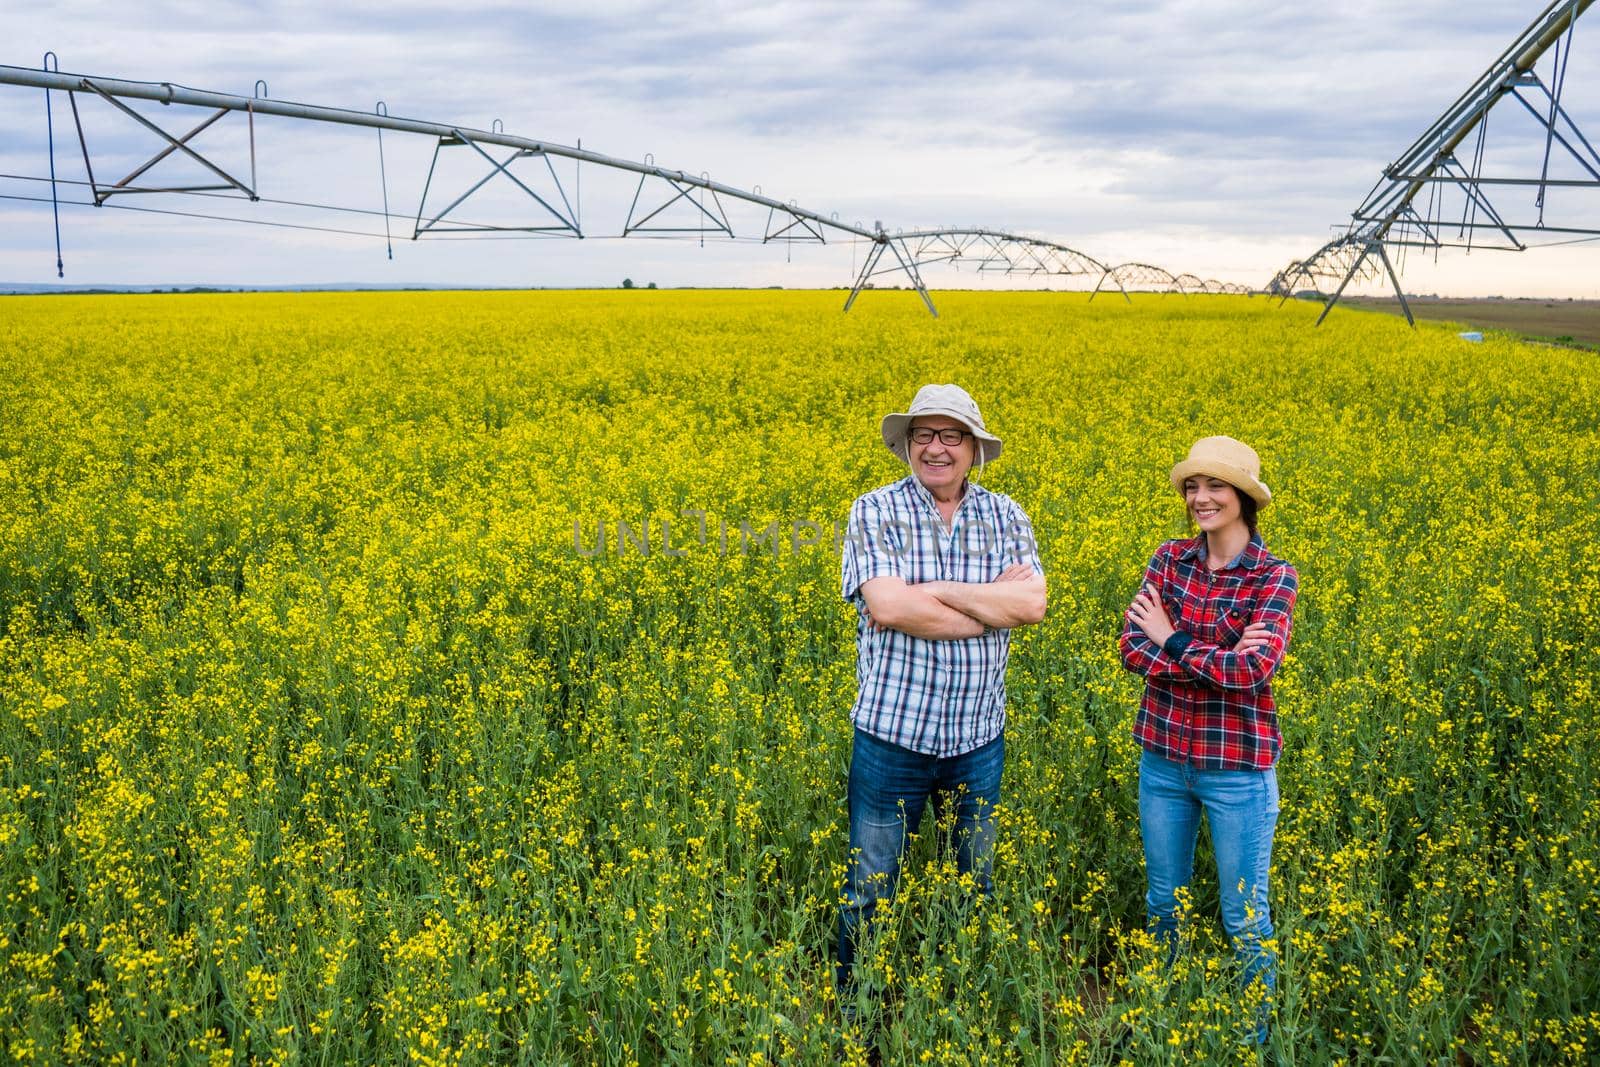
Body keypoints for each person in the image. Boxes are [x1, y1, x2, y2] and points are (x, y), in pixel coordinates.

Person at [835, 383, 1047, 1008]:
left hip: (978, 740)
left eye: (950, 436)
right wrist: (987, 606)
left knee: (970, 883)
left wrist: (932, 590)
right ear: (905, 446)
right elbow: (888, 605)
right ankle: (859, 1016)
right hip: (891, 737)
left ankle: (954, 1010)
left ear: (974, 449)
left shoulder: (1007, 515)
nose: (935, 448)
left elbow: (1031, 604)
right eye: (922, 435)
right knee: (871, 887)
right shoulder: (874, 510)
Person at [1119, 435, 1298, 1045]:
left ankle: (1251, 1042)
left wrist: (1170, 639)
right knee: (1163, 902)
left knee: (1244, 918)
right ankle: (1161, 1021)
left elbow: (1253, 671)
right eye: (1192, 486)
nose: (1200, 497)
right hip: (1163, 759)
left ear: (1244, 496)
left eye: (1214, 486)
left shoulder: (1274, 576)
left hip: (1238, 772)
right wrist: (1210, 657)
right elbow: (1129, 649)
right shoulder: (1168, 560)